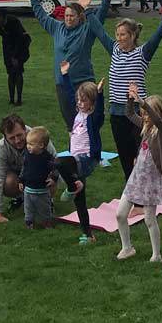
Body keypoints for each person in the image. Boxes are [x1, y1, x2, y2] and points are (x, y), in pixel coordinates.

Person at [91, 0, 162, 180]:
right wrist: (87, 10)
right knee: (125, 156)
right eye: (117, 35)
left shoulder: (142, 53)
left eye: (123, 35)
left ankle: (144, 186)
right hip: (116, 113)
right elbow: (98, 30)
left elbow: (158, 36)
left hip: (138, 113)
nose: (119, 38)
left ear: (132, 35)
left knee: (141, 155)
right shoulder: (114, 49)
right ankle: (130, 188)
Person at [29, 0, 108, 123]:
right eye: (66, 15)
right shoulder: (56, 27)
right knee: (70, 122)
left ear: (79, 17)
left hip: (83, 82)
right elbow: (42, 17)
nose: (68, 18)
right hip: (63, 83)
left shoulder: (87, 30)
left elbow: (99, 18)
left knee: (89, 121)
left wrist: (106, 0)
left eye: (72, 16)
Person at [115, 88, 162, 262]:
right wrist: (130, 98)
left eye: (147, 114)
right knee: (120, 214)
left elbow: (157, 120)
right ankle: (127, 248)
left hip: (151, 181)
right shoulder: (146, 127)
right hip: (137, 178)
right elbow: (129, 114)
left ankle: (156, 255)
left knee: (149, 219)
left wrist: (143, 103)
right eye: (144, 114)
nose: (145, 117)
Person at [59, 79, 105, 244]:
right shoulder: (78, 114)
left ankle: (72, 186)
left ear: (92, 102)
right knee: (80, 201)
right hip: (76, 159)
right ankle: (88, 235)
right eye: (79, 99)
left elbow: (99, 111)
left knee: (59, 163)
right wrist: (65, 75)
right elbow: (69, 95)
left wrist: (100, 94)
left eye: (84, 100)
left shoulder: (93, 119)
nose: (79, 102)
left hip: (86, 159)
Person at [0, 114, 58, 223]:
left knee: (51, 179)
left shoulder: (40, 138)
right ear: (4, 137)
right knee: (8, 182)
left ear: (25, 130)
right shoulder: (1, 148)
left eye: (19, 135)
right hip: (19, 177)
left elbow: (56, 163)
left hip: (41, 175)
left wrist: (55, 179)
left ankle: (48, 201)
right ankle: (22, 197)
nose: (17, 141)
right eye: (12, 138)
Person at [20, 127, 59, 228]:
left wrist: (53, 178)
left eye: (31, 144)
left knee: (44, 208)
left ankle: (47, 222)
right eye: (27, 143)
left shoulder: (47, 158)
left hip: (42, 190)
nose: (28, 146)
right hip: (28, 189)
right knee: (28, 208)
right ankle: (29, 222)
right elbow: (24, 168)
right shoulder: (27, 154)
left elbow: (56, 168)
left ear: (41, 145)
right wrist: (21, 180)